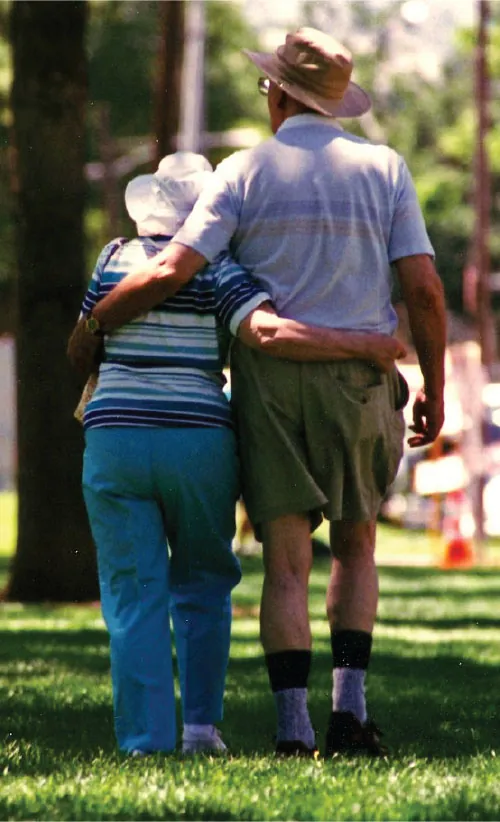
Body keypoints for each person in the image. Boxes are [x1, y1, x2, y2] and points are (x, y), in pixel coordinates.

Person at [71, 29, 445, 761]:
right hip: (361, 382)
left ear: (279, 94)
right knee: (358, 546)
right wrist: (433, 381)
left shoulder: (242, 171)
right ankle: (349, 712)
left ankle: (291, 727)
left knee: (285, 560)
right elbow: (426, 289)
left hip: (268, 387)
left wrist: (98, 316)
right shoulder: (385, 168)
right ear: (333, 101)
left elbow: (178, 265)